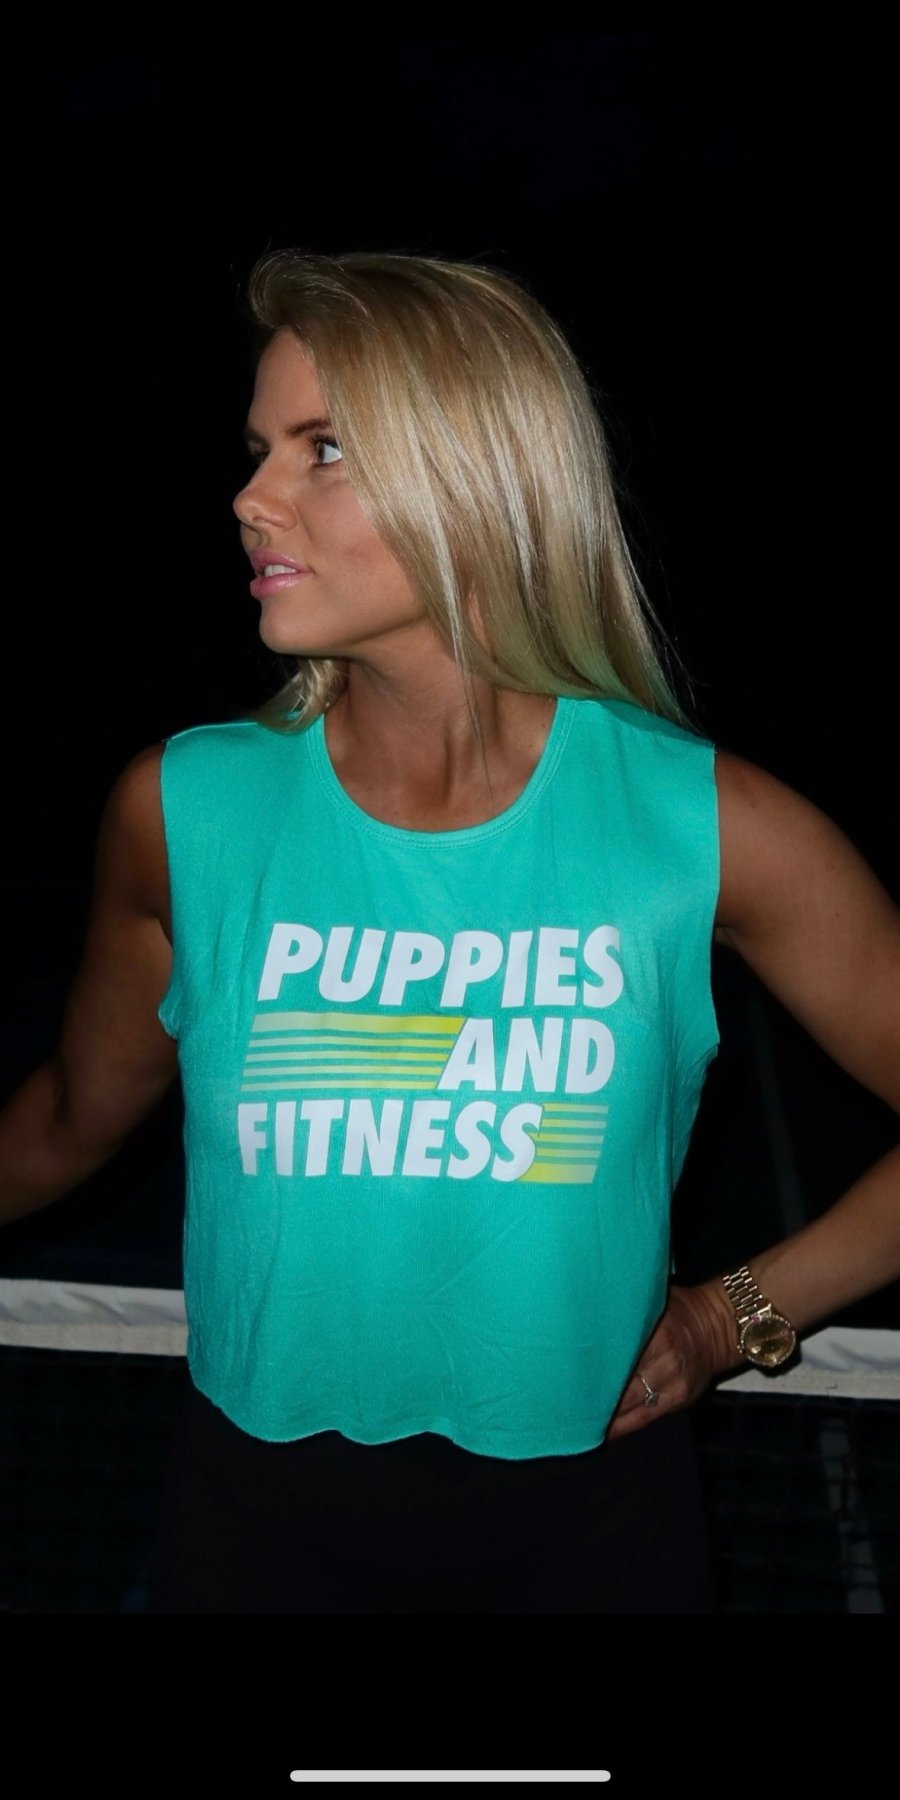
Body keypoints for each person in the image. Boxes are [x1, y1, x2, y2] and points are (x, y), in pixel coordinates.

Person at [1, 251, 898, 1615]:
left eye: (324, 449)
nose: (251, 496)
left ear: (476, 473)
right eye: (260, 449)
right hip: (253, 1534)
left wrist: (735, 1316)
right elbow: (71, 1116)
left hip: (592, 1536)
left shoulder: (710, 828)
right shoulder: (183, 811)